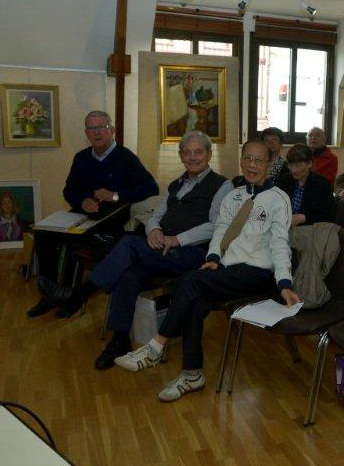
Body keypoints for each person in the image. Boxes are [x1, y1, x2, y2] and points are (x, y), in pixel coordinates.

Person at [113, 139, 301, 402]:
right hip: (227, 269)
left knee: (189, 281)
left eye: (259, 160)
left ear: (269, 165)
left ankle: (156, 345)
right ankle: (192, 375)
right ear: (241, 160)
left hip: (257, 274)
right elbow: (221, 230)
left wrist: (284, 283)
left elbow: (282, 245)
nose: (252, 164)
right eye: (247, 158)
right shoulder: (233, 195)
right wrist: (213, 257)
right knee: (195, 299)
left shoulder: (278, 199)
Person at [36, 131, 233, 369]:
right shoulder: (176, 184)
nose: (192, 157)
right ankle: (120, 340)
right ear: (181, 155)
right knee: (129, 273)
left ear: (209, 154)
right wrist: (153, 230)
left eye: (198, 152)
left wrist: (178, 239)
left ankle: (78, 294)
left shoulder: (223, 185)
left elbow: (217, 225)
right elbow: (155, 215)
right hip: (162, 250)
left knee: (128, 243)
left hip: (193, 254)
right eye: (187, 152)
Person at [27, 111, 159, 318]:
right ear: (86, 133)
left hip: (110, 218)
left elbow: (151, 188)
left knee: (77, 244)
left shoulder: (126, 157)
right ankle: (50, 295)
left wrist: (116, 195)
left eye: (102, 127)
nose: (97, 132)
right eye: (92, 128)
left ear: (111, 131)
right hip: (81, 215)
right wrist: (81, 200)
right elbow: (69, 191)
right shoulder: (81, 158)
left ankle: (73, 299)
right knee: (43, 235)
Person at [276, 143, 336, 226]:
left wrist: (303, 218)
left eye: (298, 165)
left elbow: (327, 216)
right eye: (290, 165)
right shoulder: (285, 180)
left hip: (309, 231)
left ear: (310, 164)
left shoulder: (322, 185)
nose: (293, 170)